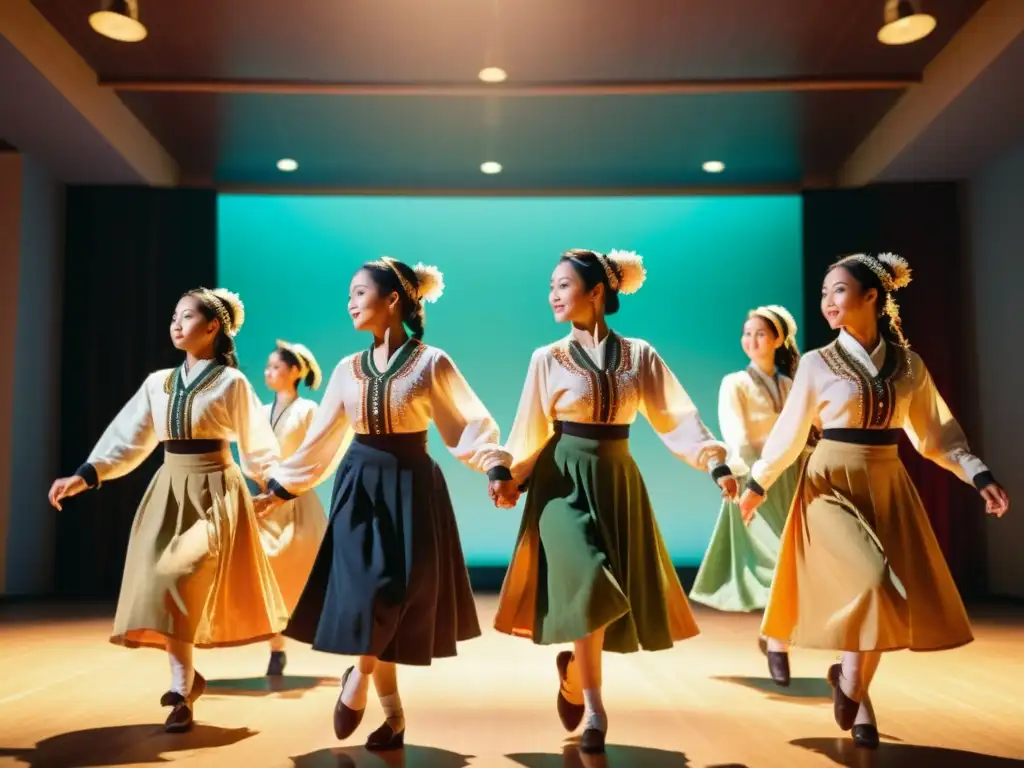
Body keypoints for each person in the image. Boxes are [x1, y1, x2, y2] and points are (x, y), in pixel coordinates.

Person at [738, 253, 1010, 749]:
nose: (828, 302)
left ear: (872, 297)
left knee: (884, 599)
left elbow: (938, 435)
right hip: (830, 484)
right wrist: (757, 484)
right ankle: (852, 686)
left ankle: (855, 690)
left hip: (887, 483)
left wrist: (978, 474)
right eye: (823, 293)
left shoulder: (909, 365)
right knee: (871, 583)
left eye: (838, 291)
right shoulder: (818, 363)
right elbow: (789, 432)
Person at [252, 257, 515, 751]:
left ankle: (384, 705)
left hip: (412, 485)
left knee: (396, 597)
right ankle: (372, 691)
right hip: (359, 487)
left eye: (359, 293)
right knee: (374, 595)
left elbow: (469, 423)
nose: (350, 303)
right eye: (349, 295)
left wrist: (496, 467)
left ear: (392, 299)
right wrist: (283, 487)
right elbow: (321, 439)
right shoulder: (348, 369)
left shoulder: (431, 361)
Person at [491, 248, 738, 755]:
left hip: (616, 478)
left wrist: (714, 460)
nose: (553, 295)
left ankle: (572, 676)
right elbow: (530, 428)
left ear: (597, 291)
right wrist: (510, 477)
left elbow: (677, 415)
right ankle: (597, 711)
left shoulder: (639, 355)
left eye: (563, 285)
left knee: (605, 593)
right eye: (551, 286)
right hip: (559, 482)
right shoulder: (547, 358)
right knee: (589, 580)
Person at [47, 287, 289, 733]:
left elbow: (257, 441)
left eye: (187, 317)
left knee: (177, 574)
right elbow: (130, 437)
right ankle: (183, 685)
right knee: (162, 582)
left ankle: (183, 683)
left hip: (216, 488)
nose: (176, 324)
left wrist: (274, 487)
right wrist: (85, 474)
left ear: (213, 326)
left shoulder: (231, 382)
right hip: (169, 486)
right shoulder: (157, 382)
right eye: (173, 317)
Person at [689, 305, 813, 686]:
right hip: (754, 480)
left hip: (791, 477)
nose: (751, 340)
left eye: (760, 333)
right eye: (747, 333)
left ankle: (774, 636)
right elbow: (736, 435)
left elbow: (804, 430)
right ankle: (778, 644)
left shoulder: (792, 384)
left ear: (778, 339)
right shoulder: (735, 383)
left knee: (796, 563)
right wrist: (748, 478)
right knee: (777, 561)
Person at [244, 340, 343, 676]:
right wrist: (260, 480)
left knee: (299, 572)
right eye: (268, 367)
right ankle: (275, 645)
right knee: (263, 572)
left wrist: (284, 483)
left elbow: (312, 454)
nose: (268, 373)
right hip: (262, 501)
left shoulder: (308, 411)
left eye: (276, 367)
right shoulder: (258, 412)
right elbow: (249, 448)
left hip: (295, 499)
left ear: (296, 372)